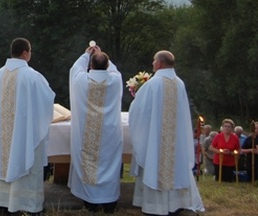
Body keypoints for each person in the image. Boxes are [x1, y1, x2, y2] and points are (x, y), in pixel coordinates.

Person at [0, 37, 55, 216]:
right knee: (25, 164)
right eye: (30, 52)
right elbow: (47, 101)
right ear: (25, 53)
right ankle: (28, 206)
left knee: (4, 163)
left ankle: (3, 205)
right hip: (24, 136)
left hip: (2, 137)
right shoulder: (32, 76)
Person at [129, 50, 204, 215]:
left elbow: (137, 111)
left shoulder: (152, 85)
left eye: (154, 60)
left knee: (155, 163)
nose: (152, 63)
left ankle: (156, 206)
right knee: (175, 165)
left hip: (156, 140)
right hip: (175, 140)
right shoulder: (179, 83)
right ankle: (175, 203)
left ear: (160, 64)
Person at [68, 45, 123, 213]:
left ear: (90, 66)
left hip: (87, 135)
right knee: (109, 163)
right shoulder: (115, 80)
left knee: (89, 164)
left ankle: (90, 202)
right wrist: (102, 56)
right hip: (109, 134)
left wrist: (87, 54)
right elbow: (113, 69)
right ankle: (109, 202)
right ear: (107, 65)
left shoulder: (81, 80)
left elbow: (75, 68)